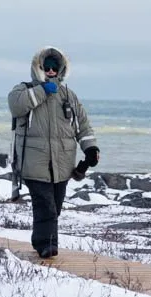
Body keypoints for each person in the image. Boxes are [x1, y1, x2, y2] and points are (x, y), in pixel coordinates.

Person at [7, 46, 99, 259]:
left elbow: (83, 126)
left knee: (54, 208)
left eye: (54, 67)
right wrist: (43, 90)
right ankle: (47, 246)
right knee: (46, 206)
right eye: (46, 67)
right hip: (33, 163)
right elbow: (16, 107)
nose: (50, 71)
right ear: (38, 67)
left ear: (61, 69)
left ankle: (41, 240)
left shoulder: (68, 95)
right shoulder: (23, 89)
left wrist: (91, 148)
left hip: (62, 164)